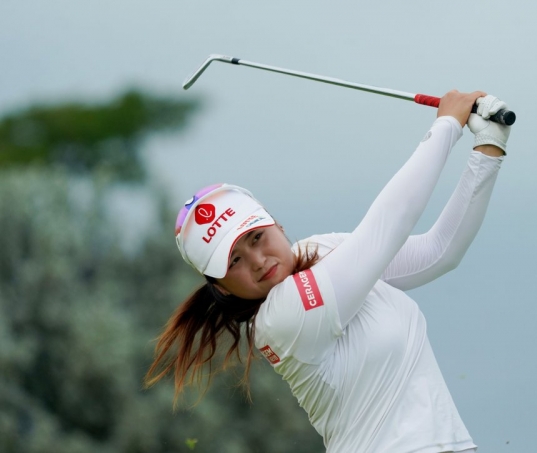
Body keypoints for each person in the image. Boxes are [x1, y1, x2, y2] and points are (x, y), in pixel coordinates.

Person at [145, 90, 511, 453]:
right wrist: (447, 126)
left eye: (256, 237)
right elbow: (389, 224)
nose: (256, 260)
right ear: (221, 288)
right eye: (234, 261)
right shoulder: (281, 317)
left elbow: (438, 253)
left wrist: (489, 145)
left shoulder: (321, 251)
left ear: (277, 225)